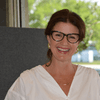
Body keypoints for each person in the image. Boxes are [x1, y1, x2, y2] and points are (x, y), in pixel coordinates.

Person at [4, 9, 100, 100]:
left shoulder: (92, 78)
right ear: (49, 38)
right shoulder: (27, 81)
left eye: (72, 37)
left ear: (78, 42)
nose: (64, 43)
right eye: (58, 35)